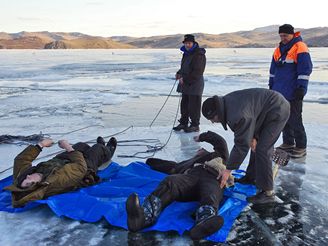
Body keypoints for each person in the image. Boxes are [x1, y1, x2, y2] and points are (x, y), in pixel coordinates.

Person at [125, 131, 234, 240]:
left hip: (212, 178)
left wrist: (201, 137)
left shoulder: (220, 156)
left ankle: (204, 222)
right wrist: (151, 162)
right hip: (190, 178)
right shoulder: (188, 163)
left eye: (200, 150)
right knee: (170, 181)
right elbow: (171, 167)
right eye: (198, 151)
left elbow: (219, 141)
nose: (198, 151)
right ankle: (144, 217)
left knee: (210, 193)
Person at [202, 88, 290, 204]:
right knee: (254, 145)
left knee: (262, 149)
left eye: (212, 119)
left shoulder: (237, 115)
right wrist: (252, 138)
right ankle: (251, 177)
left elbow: (241, 144)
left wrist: (228, 169)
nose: (213, 122)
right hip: (262, 113)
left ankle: (268, 193)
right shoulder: (227, 105)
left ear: (216, 113)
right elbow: (247, 126)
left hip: (277, 109)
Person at [4, 136, 117, 207]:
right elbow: (80, 168)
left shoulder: (21, 179)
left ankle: (101, 151)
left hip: (62, 160)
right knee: (97, 149)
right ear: (38, 185)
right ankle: (106, 151)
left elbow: (21, 160)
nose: (28, 176)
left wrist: (40, 145)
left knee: (81, 145)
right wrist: (67, 147)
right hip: (83, 167)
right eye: (29, 182)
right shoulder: (55, 181)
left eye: (25, 179)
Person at [269, 24, 313, 158]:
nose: (283, 38)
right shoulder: (278, 49)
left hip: (294, 92)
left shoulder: (300, 47)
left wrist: (301, 88)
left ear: (292, 34)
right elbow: (273, 71)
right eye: (281, 36)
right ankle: (288, 143)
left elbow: (305, 69)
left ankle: (301, 146)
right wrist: (271, 86)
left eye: (285, 35)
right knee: (283, 118)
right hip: (279, 91)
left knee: (295, 119)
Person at [173, 34, 206, 133]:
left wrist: (185, 79)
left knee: (194, 105)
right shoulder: (186, 53)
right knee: (185, 104)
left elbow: (198, 71)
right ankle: (183, 123)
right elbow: (184, 67)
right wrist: (179, 73)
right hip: (186, 83)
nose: (187, 45)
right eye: (186, 43)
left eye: (189, 43)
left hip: (195, 83)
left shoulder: (199, 54)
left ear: (193, 43)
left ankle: (195, 125)